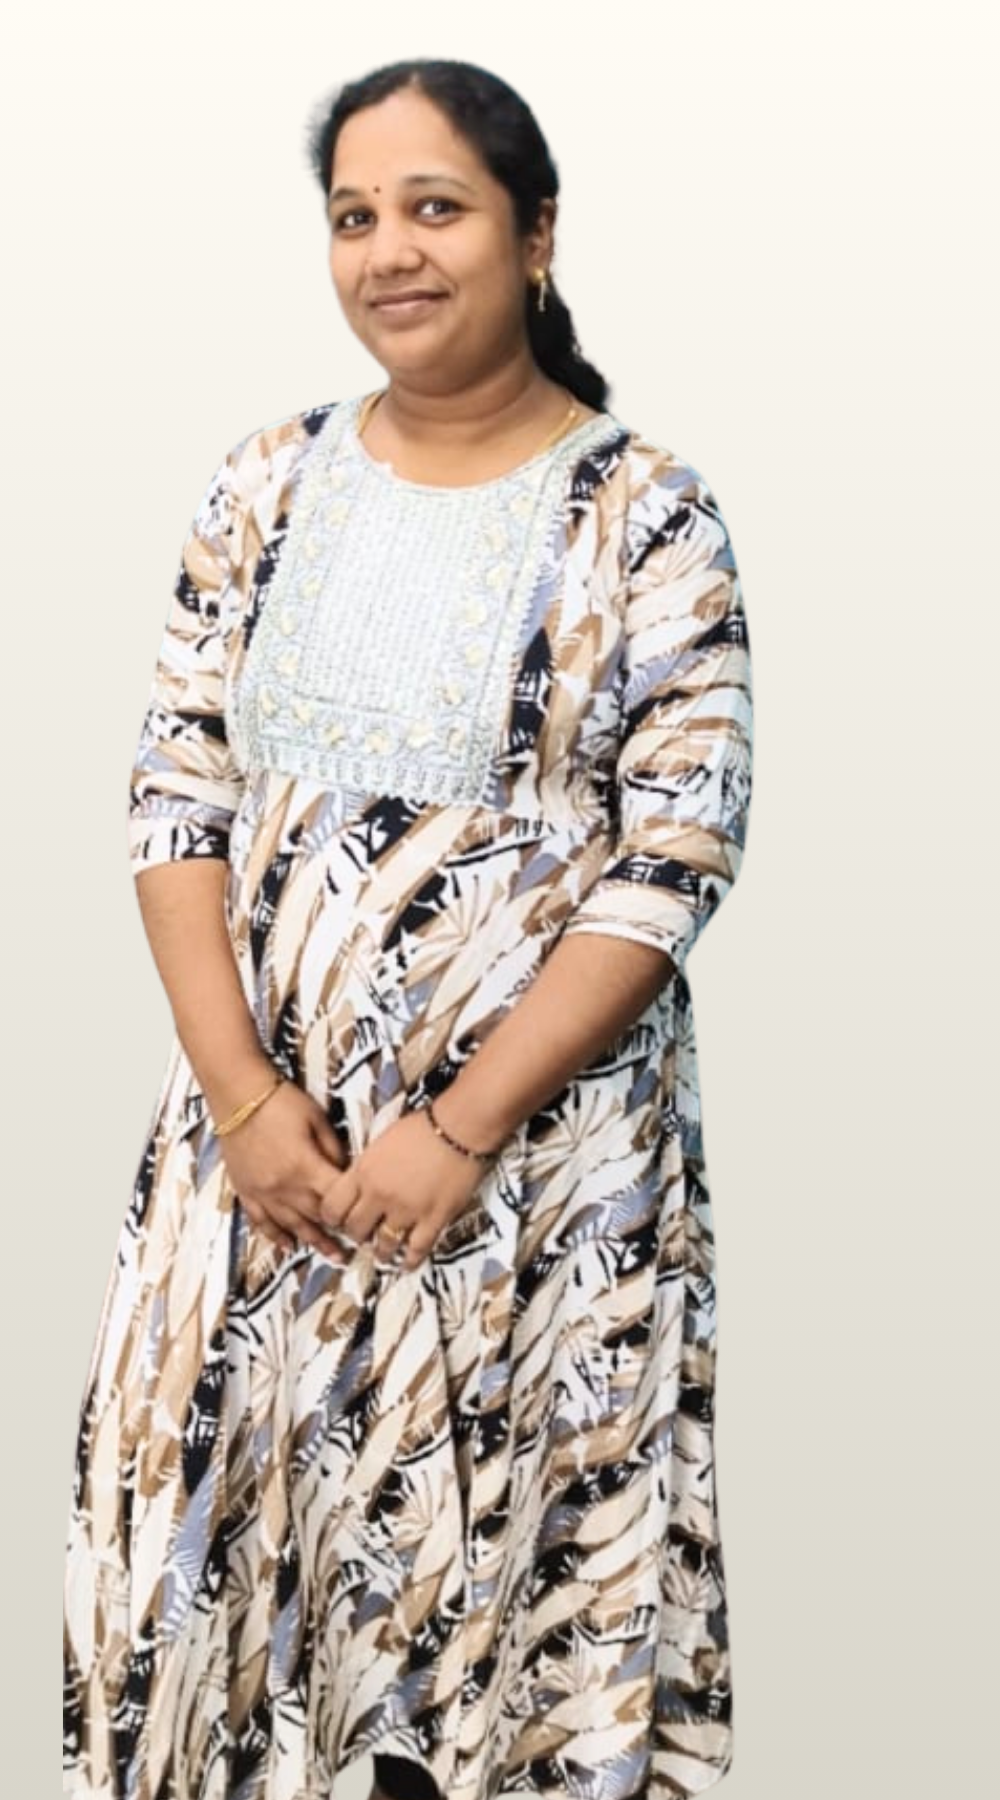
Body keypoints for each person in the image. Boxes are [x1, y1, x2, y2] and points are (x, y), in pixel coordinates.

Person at [62, 54, 754, 1800]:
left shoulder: (649, 512)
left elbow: (677, 854)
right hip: (267, 1175)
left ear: (537, 234)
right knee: (227, 1611)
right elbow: (174, 793)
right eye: (354, 216)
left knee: (503, 1642)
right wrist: (244, 1102)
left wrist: (459, 1131)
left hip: (539, 1184)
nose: (389, 252)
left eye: (435, 208)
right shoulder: (266, 482)